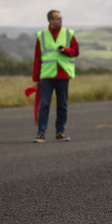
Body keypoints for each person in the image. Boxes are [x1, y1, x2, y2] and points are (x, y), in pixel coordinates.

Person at [32, 10, 79, 143]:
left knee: (62, 105)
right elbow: (37, 58)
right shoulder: (41, 36)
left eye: (61, 18)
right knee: (44, 105)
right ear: (51, 20)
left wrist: (66, 51)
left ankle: (60, 132)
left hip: (63, 74)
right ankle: (41, 133)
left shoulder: (68, 34)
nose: (61, 20)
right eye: (58, 18)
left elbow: (76, 51)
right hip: (47, 75)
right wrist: (35, 79)